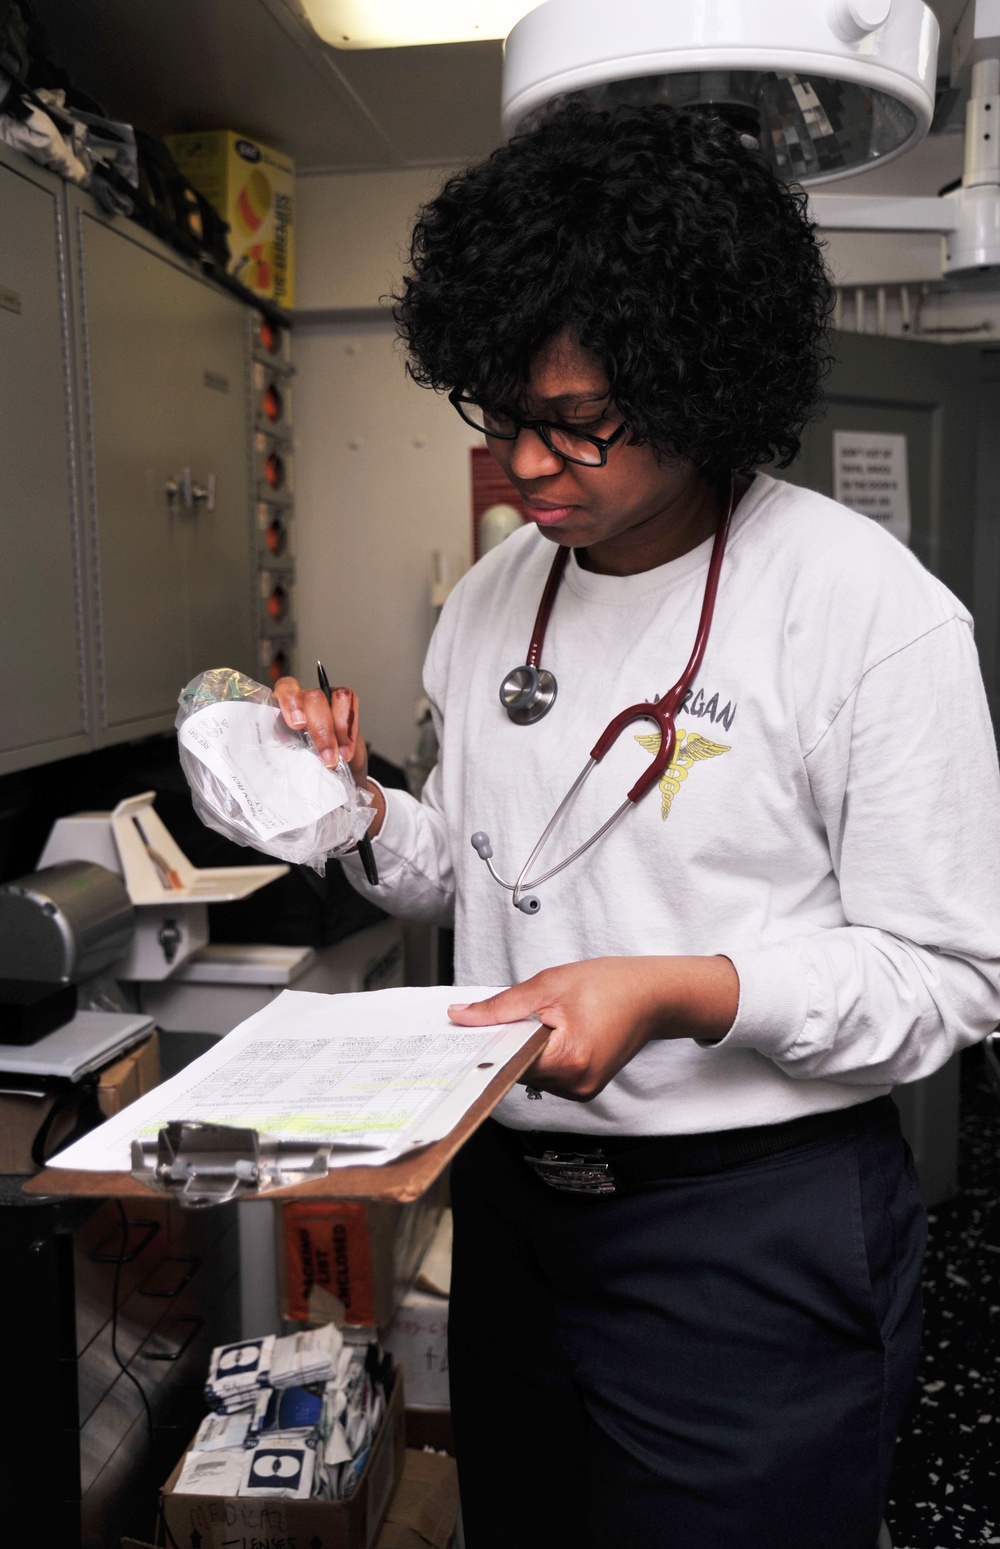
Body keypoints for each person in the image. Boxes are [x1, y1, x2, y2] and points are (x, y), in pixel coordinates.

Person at [277, 104, 1000, 1549]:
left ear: (702, 386)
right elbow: (478, 871)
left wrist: (681, 993)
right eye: (504, 416)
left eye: (580, 424)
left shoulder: (867, 609)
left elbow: (952, 978)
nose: (529, 467)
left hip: (751, 1235)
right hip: (520, 1223)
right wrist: (357, 812)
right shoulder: (494, 597)